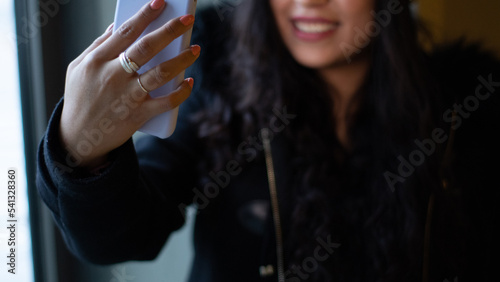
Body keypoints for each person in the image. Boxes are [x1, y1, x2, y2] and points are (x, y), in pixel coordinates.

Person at [36, 0, 500, 281]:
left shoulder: (465, 106)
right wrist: (83, 149)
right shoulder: (215, 77)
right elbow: (123, 238)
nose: (309, 4)